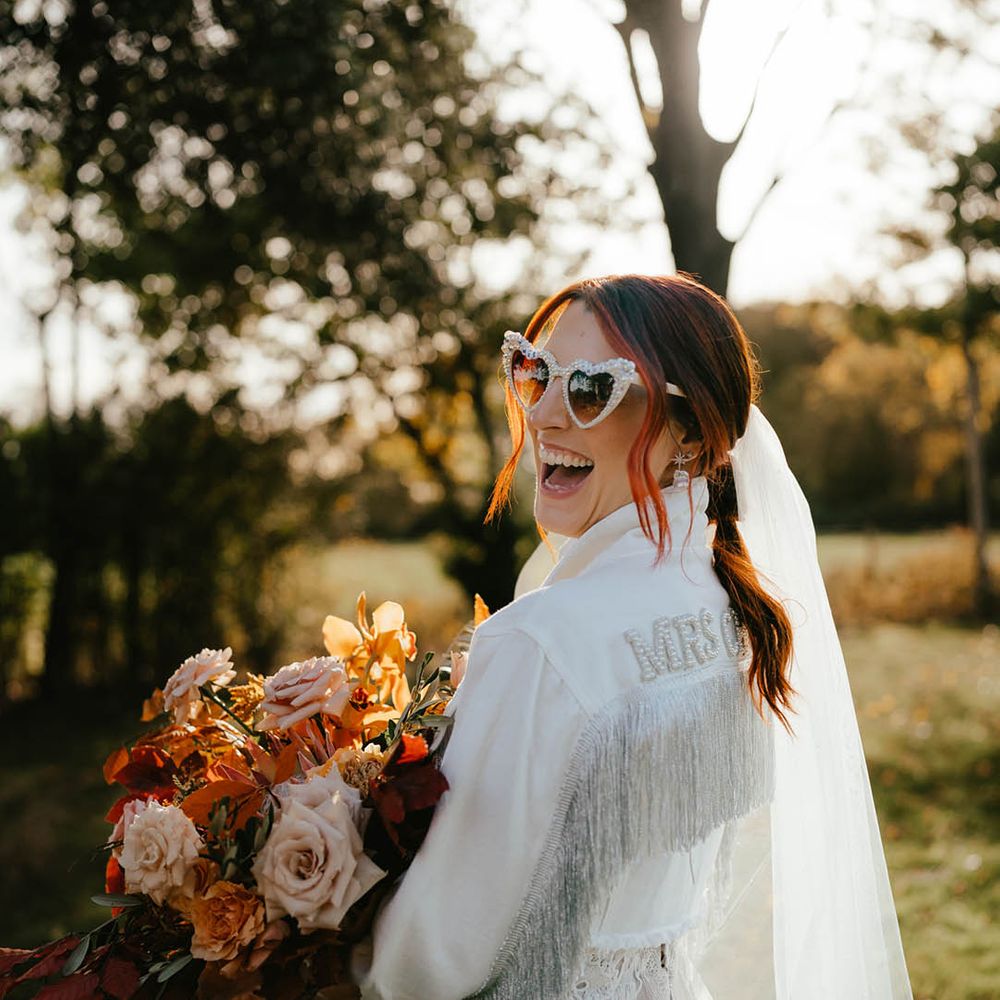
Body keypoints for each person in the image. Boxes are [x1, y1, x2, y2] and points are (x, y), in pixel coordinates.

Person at [357, 273, 912, 999]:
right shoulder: (733, 609)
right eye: (534, 371)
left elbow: (429, 961)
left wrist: (308, 938)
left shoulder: (540, 643)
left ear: (690, 431)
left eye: (592, 388)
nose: (544, 415)